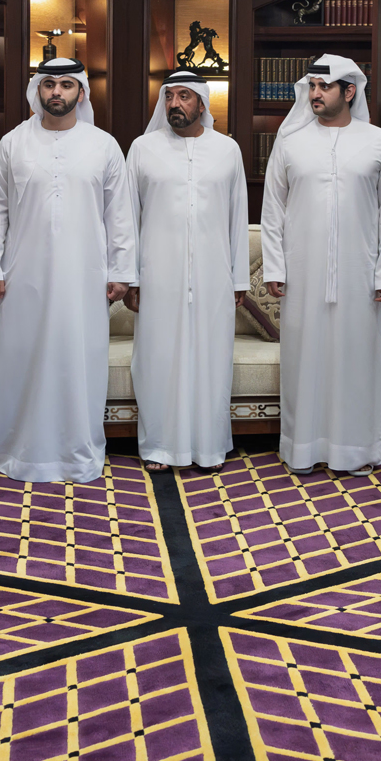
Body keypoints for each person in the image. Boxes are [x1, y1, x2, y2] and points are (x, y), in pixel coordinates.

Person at [0, 57, 136, 483]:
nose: (57, 92)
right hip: (22, 275)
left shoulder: (104, 145)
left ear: (81, 92)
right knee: (23, 359)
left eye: (66, 85)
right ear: (38, 90)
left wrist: (122, 271)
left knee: (79, 361)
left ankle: (76, 453)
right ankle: (20, 452)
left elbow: (120, 215)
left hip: (86, 277)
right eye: (49, 84)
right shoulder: (13, 143)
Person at [260, 54, 381, 477]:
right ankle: (302, 449)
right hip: (302, 274)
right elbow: (273, 211)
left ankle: (355, 451)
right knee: (305, 362)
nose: (315, 94)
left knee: (356, 363)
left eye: (325, 87)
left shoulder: (378, 142)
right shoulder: (290, 142)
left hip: (360, 275)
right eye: (312, 87)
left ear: (349, 91)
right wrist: (275, 268)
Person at [126, 70, 249, 473]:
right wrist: (131, 278)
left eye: (184, 96)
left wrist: (239, 278)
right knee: (159, 360)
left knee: (212, 361)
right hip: (158, 277)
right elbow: (128, 218)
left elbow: (238, 217)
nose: (174, 104)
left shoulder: (227, 149)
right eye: (169, 96)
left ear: (201, 102)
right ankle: (161, 447)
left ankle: (209, 447)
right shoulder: (142, 149)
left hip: (214, 277)